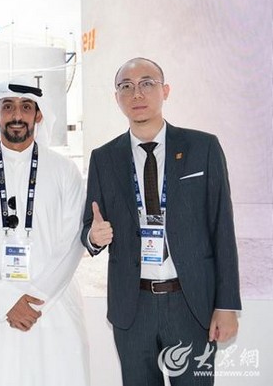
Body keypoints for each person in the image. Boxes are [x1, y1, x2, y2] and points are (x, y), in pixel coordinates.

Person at [82, 57, 241, 385]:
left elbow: (222, 230)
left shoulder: (203, 147)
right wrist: (94, 237)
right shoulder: (104, 158)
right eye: (126, 87)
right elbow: (89, 226)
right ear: (117, 98)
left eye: (147, 84)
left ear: (165, 91)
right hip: (132, 307)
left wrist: (226, 305)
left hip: (191, 304)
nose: (137, 94)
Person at [0, 77, 89, 386]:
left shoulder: (65, 170)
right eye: (8, 107)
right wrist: (6, 301)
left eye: (26, 107)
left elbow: (72, 241)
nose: (17, 115)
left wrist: (35, 298)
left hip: (53, 310)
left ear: (38, 115)